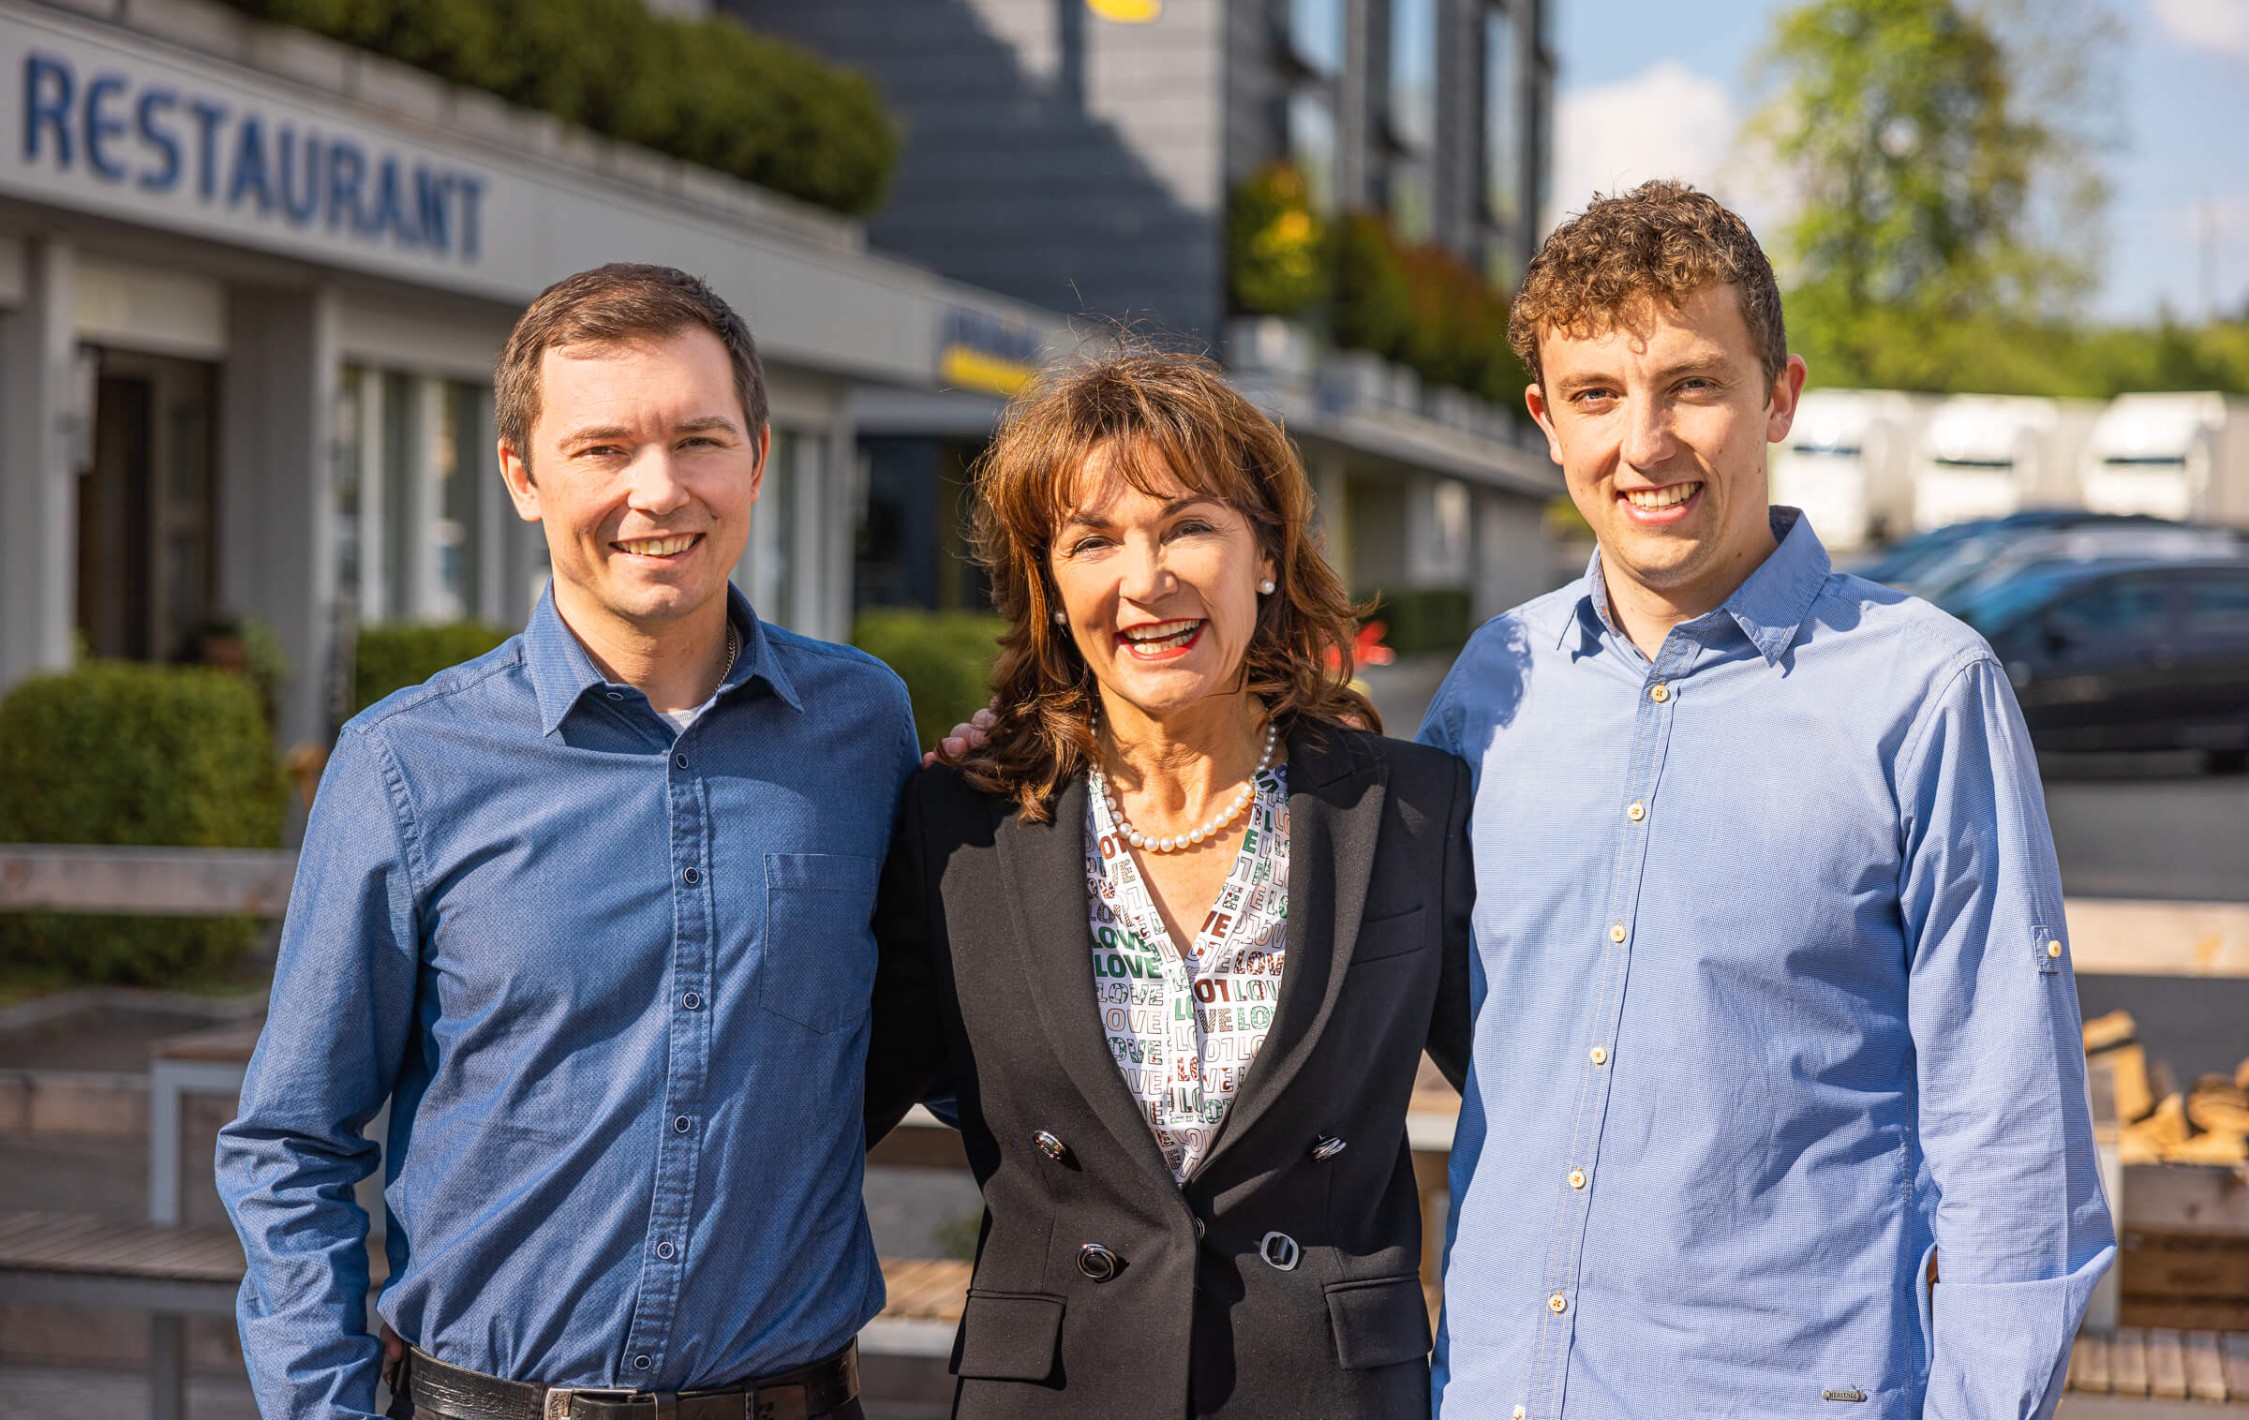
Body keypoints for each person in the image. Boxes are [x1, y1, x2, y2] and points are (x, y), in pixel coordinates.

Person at [1421, 183, 2113, 1418]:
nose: (1644, 442)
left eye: (1691, 384)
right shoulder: (1492, 688)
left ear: (1776, 396)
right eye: (1594, 395)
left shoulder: (1923, 690)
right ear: (1543, 419)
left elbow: (2013, 1137)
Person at [216, 265, 916, 1420]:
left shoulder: (864, 727)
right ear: (522, 477)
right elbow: (290, 1141)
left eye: (697, 439)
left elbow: (939, 1012)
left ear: (757, 459)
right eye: (601, 450)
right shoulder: (405, 764)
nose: (658, 491)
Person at [867, 350, 1476, 1419]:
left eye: (1186, 526)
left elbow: (1539, 1098)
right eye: (1091, 541)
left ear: (1268, 556)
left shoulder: (1411, 813)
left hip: (1324, 1391)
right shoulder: (959, 826)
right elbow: (829, 1095)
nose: (1143, 580)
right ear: (1049, 589)